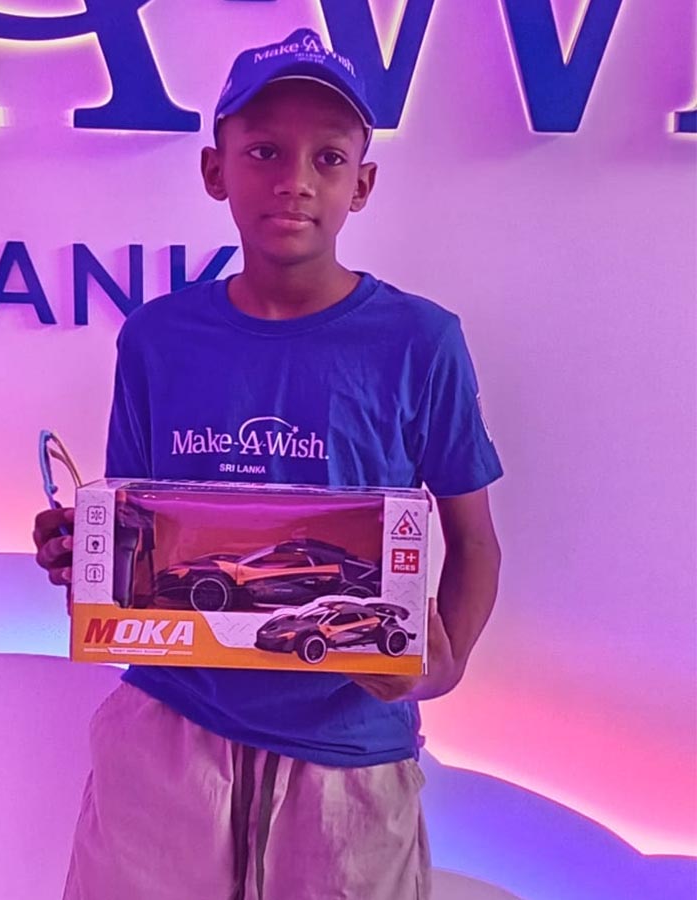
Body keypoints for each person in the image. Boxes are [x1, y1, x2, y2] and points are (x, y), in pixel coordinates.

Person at [34, 27, 502, 900]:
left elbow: (475, 541)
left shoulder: (420, 342)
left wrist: (441, 669)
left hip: (348, 751)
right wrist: (83, 553)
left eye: (328, 158)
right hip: (170, 732)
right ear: (215, 171)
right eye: (264, 152)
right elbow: (138, 542)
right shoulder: (158, 339)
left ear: (363, 184)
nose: (295, 181)